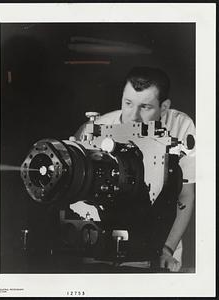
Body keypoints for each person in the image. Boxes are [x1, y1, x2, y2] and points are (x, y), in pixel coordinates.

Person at [74, 66, 195, 272]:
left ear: (164, 108)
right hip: (98, 250)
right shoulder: (95, 128)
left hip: (158, 249)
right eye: (128, 103)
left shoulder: (181, 127)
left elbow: (185, 195)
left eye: (145, 107)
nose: (133, 115)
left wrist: (167, 249)